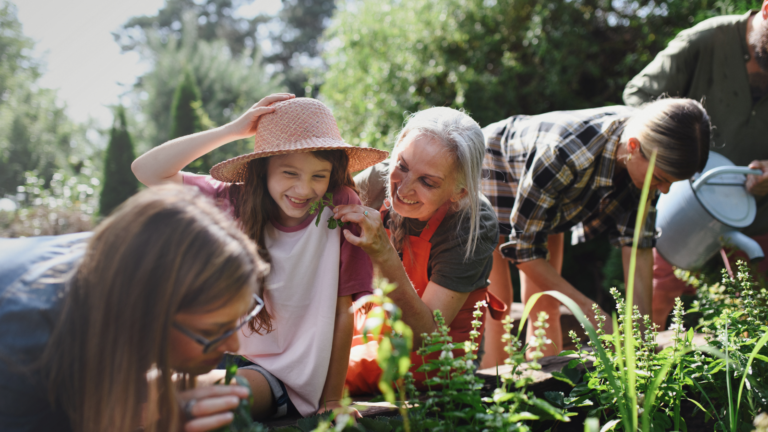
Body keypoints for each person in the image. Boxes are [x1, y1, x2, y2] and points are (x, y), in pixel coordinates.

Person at [131, 95, 388, 418]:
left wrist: (333, 400)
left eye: (318, 176)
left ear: (332, 174)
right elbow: (147, 170)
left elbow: (342, 311)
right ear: (263, 169)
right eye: (289, 173)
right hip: (220, 352)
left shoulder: (340, 208)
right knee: (126, 382)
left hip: (284, 375)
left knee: (187, 397)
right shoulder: (235, 199)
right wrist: (233, 130)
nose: (304, 189)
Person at [0, 185, 269, 432]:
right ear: (148, 316)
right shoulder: (26, 348)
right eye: (212, 330)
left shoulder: (127, 264)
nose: (234, 346)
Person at [478, 98, 711, 365]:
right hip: (496, 165)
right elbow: (523, 252)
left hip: (552, 196)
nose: (665, 190)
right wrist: (592, 313)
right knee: (498, 306)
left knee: (546, 304)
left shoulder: (647, 151)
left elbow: (638, 247)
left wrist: (643, 337)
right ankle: (494, 395)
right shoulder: (565, 155)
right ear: (633, 147)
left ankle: (543, 393)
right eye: (660, 179)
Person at [331, 107, 504, 394]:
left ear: (459, 191)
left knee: (317, 374)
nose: (403, 188)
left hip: (432, 362)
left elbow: (427, 337)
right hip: (368, 332)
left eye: (428, 182)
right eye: (402, 165)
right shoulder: (378, 181)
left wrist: (382, 253)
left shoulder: (472, 223)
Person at [623, 0, 768, 328]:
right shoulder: (703, 42)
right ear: (766, 10)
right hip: (680, 208)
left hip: (758, 216)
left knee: (755, 318)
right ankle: (643, 376)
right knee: (656, 300)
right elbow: (636, 101)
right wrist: (674, 162)